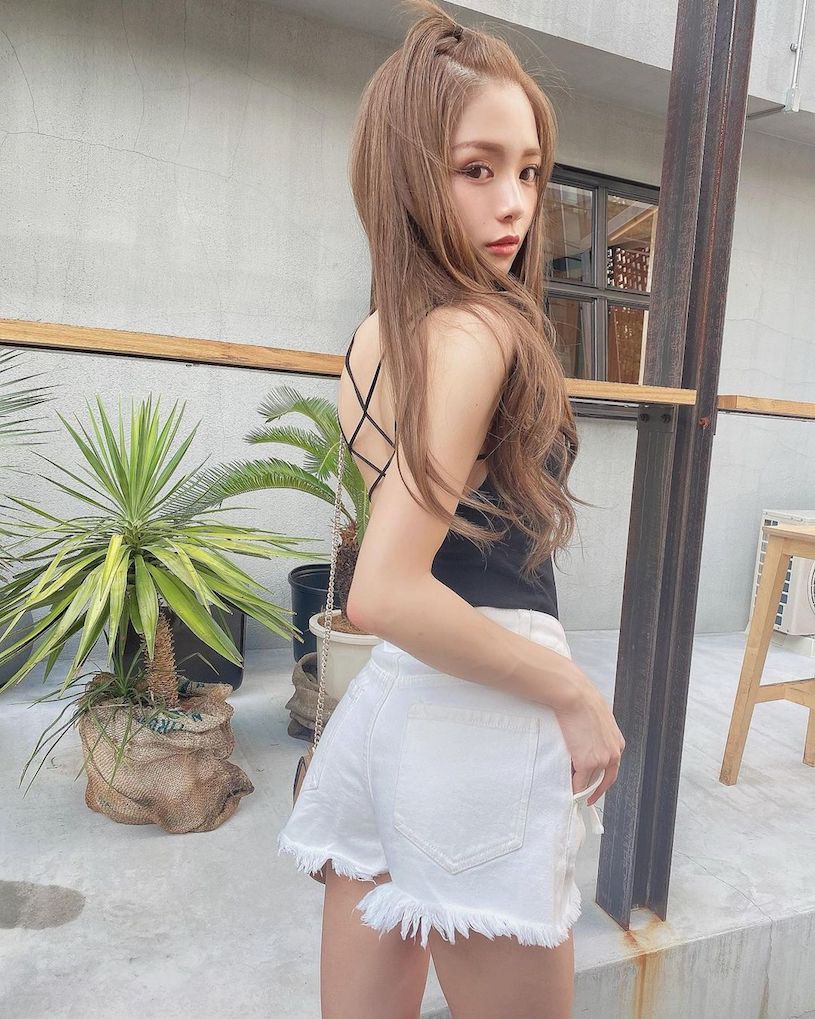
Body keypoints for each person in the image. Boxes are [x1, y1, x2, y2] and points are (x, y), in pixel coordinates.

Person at [277, 2, 626, 1015]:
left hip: (394, 706)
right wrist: (571, 692)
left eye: (528, 171)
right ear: (408, 175)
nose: (513, 203)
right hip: (481, 717)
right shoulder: (478, 332)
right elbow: (386, 588)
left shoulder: (371, 340)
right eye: (477, 169)